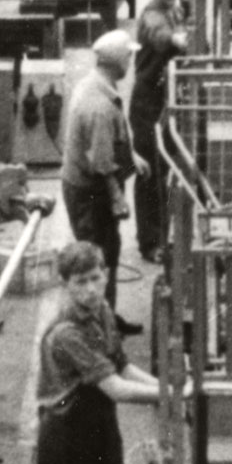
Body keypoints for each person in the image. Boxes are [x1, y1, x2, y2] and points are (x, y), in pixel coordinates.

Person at [36, 241, 176, 464]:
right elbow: (115, 389)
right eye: (80, 281)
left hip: (98, 436)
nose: (90, 290)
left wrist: (170, 387)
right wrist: (171, 397)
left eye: (96, 278)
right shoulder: (65, 333)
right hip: (65, 444)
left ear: (106, 274)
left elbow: (123, 366)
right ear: (65, 283)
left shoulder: (104, 313)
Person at [63, 29, 149, 334]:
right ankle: (97, 330)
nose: (131, 60)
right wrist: (117, 198)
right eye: (129, 55)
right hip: (92, 194)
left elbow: (109, 139)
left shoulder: (95, 85)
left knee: (107, 253)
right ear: (116, 61)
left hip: (86, 187)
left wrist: (131, 156)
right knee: (95, 263)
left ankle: (106, 318)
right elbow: (100, 162)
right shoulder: (98, 105)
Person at [129, 0, 188, 263]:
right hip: (147, 105)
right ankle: (150, 244)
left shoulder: (175, 7)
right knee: (150, 174)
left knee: (165, 172)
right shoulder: (152, 14)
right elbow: (160, 36)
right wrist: (179, 40)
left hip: (166, 99)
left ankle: (163, 237)